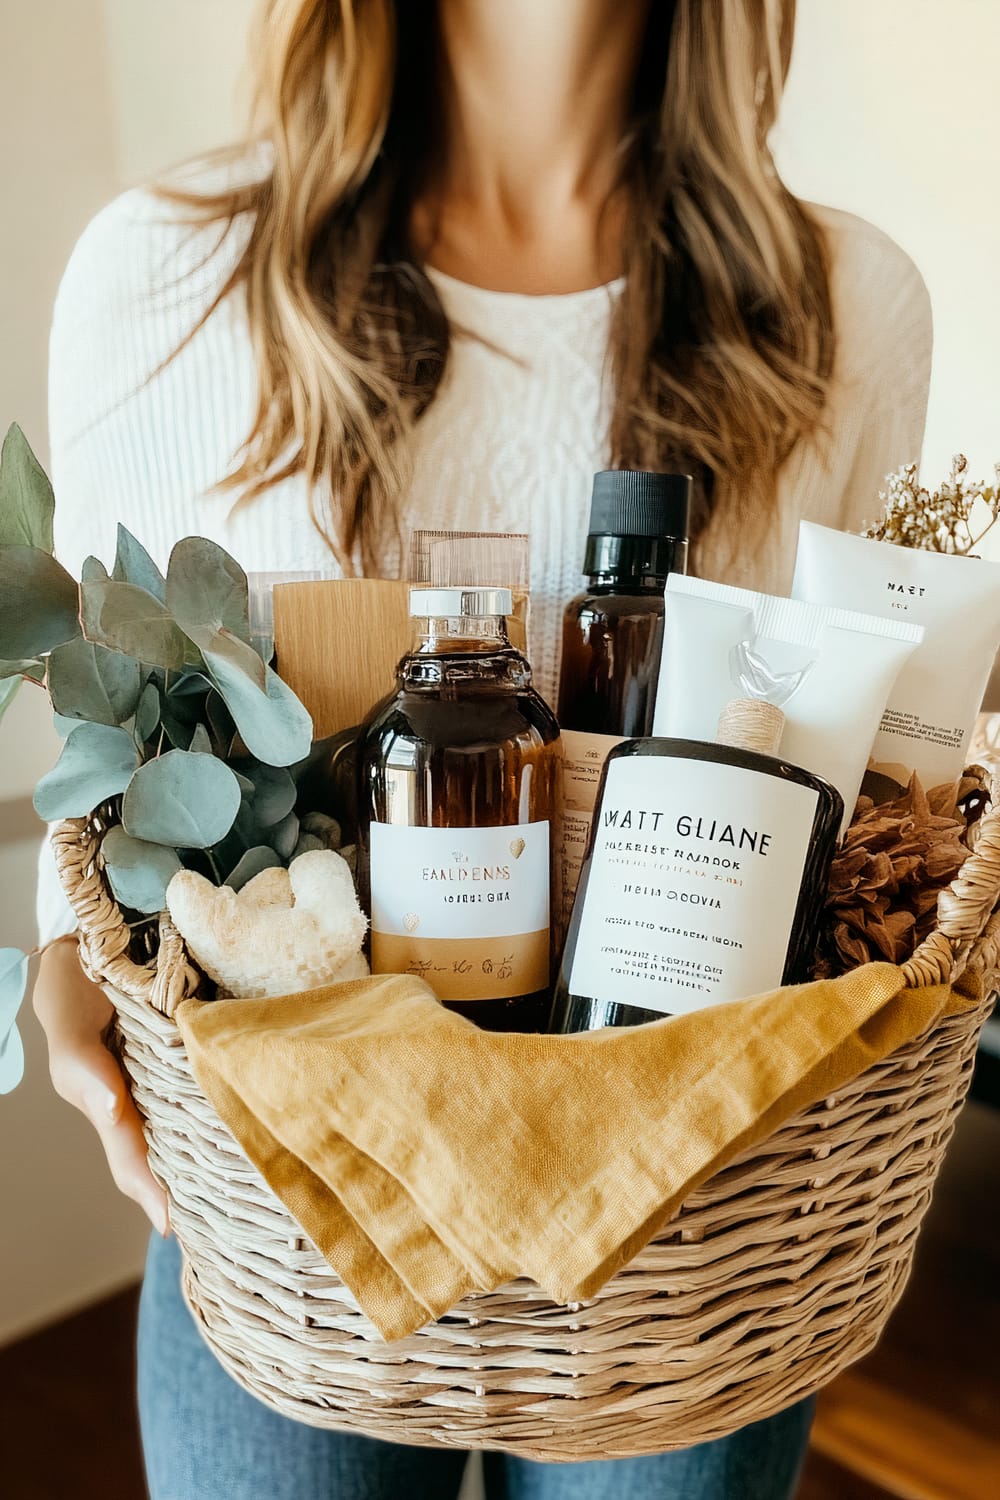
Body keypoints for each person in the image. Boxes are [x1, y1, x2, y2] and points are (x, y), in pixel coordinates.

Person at [33, 1, 932, 1496]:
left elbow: (881, 790)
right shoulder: (167, 273)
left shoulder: (847, 305)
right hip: (282, 1217)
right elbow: (107, 762)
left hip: (683, 1252)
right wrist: (70, 973)